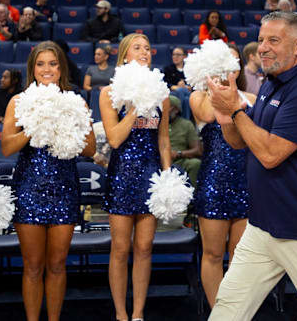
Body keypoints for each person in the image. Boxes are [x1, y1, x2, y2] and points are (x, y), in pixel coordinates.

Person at [205, 11, 297, 320]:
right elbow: (241, 141)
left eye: (274, 40)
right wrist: (227, 118)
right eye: (261, 40)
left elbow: (271, 154)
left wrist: (236, 111)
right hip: (263, 227)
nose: (263, 47)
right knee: (228, 309)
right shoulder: (273, 83)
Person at [2, 41, 95, 321]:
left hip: (64, 188)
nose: (47, 69)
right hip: (29, 188)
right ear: (32, 69)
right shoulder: (18, 101)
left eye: (53, 64)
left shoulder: (74, 100)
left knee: (57, 264)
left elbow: (90, 149)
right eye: (41, 64)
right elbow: (7, 146)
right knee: (32, 265)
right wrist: (36, 124)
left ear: (61, 68)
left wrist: (66, 124)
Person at [99, 33, 172, 321]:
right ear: (124, 56)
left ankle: (138, 313)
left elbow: (163, 139)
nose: (145, 51)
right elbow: (115, 139)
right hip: (121, 176)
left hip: (150, 177)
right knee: (120, 248)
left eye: (148, 47)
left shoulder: (162, 94)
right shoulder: (108, 93)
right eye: (137, 47)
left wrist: (167, 177)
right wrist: (134, 108)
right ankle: (120, 313)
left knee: (144, 248)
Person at [189, 45, 255, 308]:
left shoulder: (250, 96)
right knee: (214, 254)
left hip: (246, 180)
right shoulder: (198, 97)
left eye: (232, 61)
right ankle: (219, 313)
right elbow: (207, 114)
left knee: (240, 256)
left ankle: (237, 310)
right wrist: (214, 81)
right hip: (213, 183)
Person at [168, 95, 201, 185]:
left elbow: (198, 150)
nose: (164, 110)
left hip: (179, 160)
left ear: (176, 110)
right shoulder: (157, 124)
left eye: (168, 107)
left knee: (195, 163)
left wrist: (179, 153)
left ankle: (193, 196)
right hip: (159, 159)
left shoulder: (186, 124)